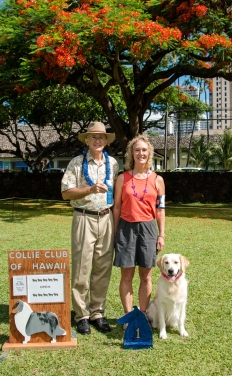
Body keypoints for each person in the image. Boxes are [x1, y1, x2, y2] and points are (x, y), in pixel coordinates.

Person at [61, 121, 119, 335]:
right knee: (81, 268)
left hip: (106, 218)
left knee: (103, 267)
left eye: (101, 137)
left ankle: (97, 313)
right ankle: (82, 315)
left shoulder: (113, 164)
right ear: (86, 140)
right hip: (84, 218)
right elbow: (66, 193)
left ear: (106, 141)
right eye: (93, 137)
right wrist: (90, 189)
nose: (97, 140)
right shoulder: (76, 163)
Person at [112, 134, 165, 320]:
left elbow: (160, 209)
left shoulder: (158, 180)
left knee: (146, 276)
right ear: (131, 153)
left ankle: (142, 315)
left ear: (149, 153)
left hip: (149, 230)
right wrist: (115, 232)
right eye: (137, 150)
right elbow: (116, 207)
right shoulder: (122, 178)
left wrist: (161, 234)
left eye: (144, 150)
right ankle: (128, 317)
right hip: (126, 229)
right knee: (126, 276)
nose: (140, 153)